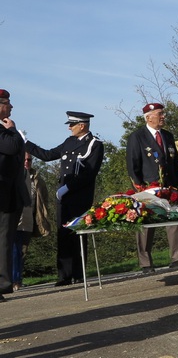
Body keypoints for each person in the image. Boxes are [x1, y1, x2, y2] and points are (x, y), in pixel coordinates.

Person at [25, 110, 103, 286]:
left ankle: (78, 273)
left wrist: (69, 187)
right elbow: (47, 155)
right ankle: (64, 275)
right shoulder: (69, 142)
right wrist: (25, 143)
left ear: (82, 126)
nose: (69, 128)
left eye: (72, 125)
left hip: (80, 196)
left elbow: (89, 173)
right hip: (64, 197)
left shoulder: (94, 144)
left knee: (79, 234)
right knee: (64, 234)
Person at [126, 102, 178, 273]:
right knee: (145, 225)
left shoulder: (168, 136)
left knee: (176, 220)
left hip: (170, 187)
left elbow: (176, 164)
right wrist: (140, 188)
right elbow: (133, 166)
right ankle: (146, 263)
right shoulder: (137, 137)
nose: (163, 117)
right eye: (160, 114)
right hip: (147, 188)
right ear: (149, 117)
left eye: (163, 114)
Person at [0, 89, 26, 302]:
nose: (11, 107)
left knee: (5, 240)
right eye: (8, 103)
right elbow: (11, 148)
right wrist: (14, 130)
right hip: (3, 195)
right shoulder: (6, 131)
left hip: (8, 194)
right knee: (3, 241)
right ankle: (2, 283)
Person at [12, 153, 50, 291]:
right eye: (24, 159)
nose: (27, 162)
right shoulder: (14, 175)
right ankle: (13, 280)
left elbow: (44, 198)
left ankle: (18, 280)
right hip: (14, 219)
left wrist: (43, 216)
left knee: (23, 252)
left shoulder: (37, 178)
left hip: (29, 220)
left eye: (29, 159)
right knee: (13, 251)